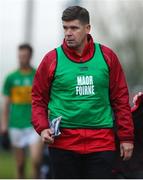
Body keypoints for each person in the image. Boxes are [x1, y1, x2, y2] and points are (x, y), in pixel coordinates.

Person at [32, 6, 134, 179]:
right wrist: (42, 128)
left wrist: (126, 137)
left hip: (101, 143)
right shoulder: (52, 59)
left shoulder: (107, 57)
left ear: (87, 29)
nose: (68, 33)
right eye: (65, 27)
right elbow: (38, 99)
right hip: (63, 144)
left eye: (74, 28)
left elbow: (120, 100)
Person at [1, 44, 42, 178]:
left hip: (34, 126)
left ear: (30, 56)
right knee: (20, 165)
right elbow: (6, 104)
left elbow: (44, 100)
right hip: (16, 125)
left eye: (24, 56)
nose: (22, 58)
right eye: (20, 56)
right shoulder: (11, 78)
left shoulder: (38, 75)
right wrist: (4, 125)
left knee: (36, 161)